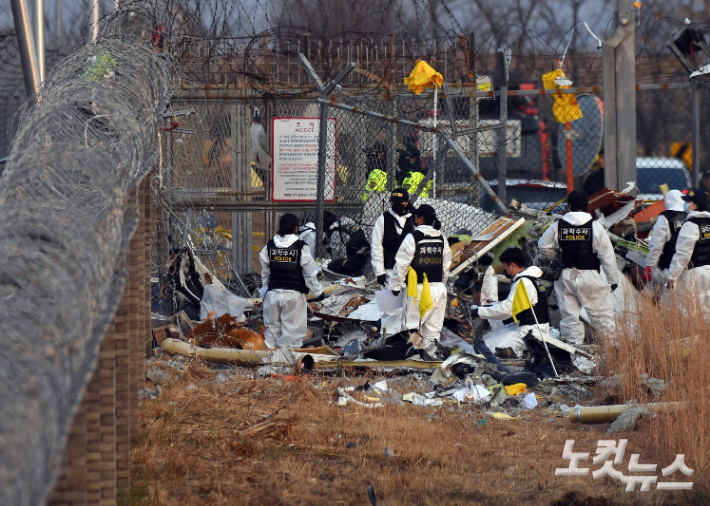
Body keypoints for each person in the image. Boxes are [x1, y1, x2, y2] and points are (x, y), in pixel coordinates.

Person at [538, 190, 619, 345]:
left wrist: (556, 257)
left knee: (569, 316)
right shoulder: (595, 227)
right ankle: (611, 351)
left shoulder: (558, 225)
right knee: (602, 315)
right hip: (590, 274)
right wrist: (612, 279)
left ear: (569, 206)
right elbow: (607, 256)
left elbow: (543, 246)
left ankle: (574, 352)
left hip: (565, 274)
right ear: (586, 206)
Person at [389, 204, 452, 360]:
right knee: (433, 331)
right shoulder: (441, 237)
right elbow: (446, 266)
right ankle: (429, 361)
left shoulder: (413, 237)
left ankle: (412, 361)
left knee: (412, 329)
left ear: (421, 219)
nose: (414, 220)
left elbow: (402, 264)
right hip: (438, 289)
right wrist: (441, 283)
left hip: (418, 290)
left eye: (416, 217)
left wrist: (395, 286)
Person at [260, 213, 324, 351]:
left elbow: (265, 274)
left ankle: (266, 365)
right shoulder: (301, 247)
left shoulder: (269, 246)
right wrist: (319, 293)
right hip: (294, 296)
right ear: (296, 229)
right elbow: (311, 274)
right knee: (292, 336)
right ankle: (286, 365)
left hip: (273, 295)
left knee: (271, 333)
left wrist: (264, 293)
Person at [470, 248, 551, 358]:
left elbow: (506, 310)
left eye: (505, 267)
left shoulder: (523, 283)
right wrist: (486, 307)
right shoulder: (532, 279)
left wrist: (479, 311)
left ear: (512, 265)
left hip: (529, 334)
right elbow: (513, 304)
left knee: (481, 351)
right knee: (485, 341)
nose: (504, 270)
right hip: (531, 328)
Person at [668, 189, 710, 310]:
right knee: (707, 310)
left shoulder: (691, 225)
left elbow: (683, 254)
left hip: (694, 272)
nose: (686, 205)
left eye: (689, 202)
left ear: (695, 205)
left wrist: (672, 276)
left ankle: (693, 330)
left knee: (689, 309)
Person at [370, 188, 415, 288]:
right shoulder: (383, 219)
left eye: (400, 202)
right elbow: (376, 246)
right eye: (394, 202)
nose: (396, 205)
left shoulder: (414, 218)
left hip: (411, 269)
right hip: (390, 270)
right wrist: (379, 271)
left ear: (406, 202)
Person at [644, 190, 687, 284]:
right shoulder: (688, 217)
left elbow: (656, 245)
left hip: (668, 266)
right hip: (686, 267)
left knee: (666, 295)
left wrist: (650, 265)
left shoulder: (665, 217)